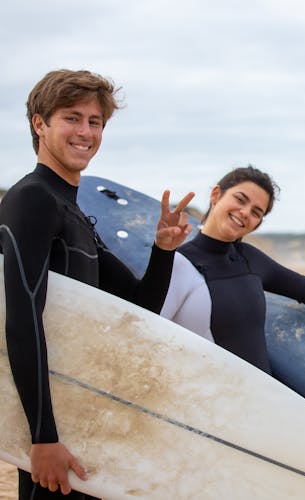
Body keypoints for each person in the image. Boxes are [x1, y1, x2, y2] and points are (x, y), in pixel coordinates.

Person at [0, 69, 194, 499]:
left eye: (96, 122)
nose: (85, 132)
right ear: (39, 123)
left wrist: (162, 249)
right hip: (53, 424)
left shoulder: (72, 212)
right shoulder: (31, 199)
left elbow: (139, 306)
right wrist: (42, 436)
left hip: (85, 415)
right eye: (72, 117)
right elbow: (23, 317)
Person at [160, 165, 305, 374]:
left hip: (261, 400)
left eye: (256, 212)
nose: (245, 212)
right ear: (216, 194)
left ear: (257, 224)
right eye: (240, 199)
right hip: (201, 404)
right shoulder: (178, 264)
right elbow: (147, 333)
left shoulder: (250, 259)